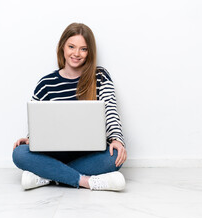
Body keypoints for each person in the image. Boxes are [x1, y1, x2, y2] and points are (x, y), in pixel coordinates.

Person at [12, 23, 127, 191]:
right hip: (55, 152)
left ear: (89, 52)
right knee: (19, 153)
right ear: (62, 48)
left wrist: (117, 139)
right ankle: (86, 181)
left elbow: (110, 111)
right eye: (71, 47)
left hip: (89, 153)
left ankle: (47, 175)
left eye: (83, 49)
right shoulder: (46, 83)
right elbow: (38, 120)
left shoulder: (100, 76)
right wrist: (32, 139)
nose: (76, 54)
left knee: (115, 156)